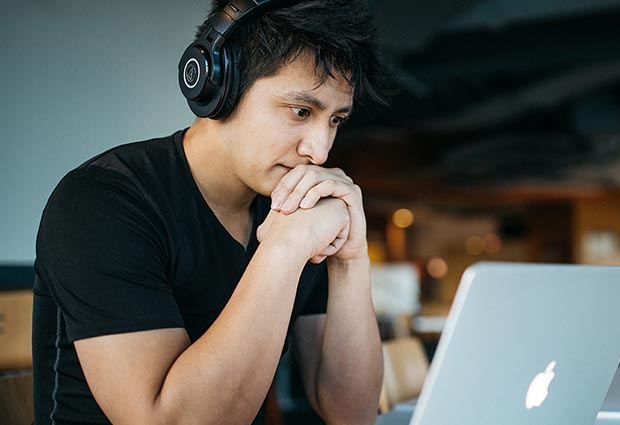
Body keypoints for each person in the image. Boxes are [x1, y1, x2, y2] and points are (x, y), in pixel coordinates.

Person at [31, 1, 389, 423]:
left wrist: (351, 259)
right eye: (301, 111)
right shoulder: (103, 201)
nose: (320, 150)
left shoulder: (295, 205)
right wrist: (284, 248)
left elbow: (352, 413)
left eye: (335, 120)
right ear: (219, 86)